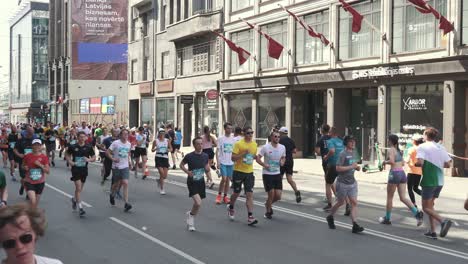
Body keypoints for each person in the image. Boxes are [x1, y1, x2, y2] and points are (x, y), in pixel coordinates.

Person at [415, 127, 453, 239]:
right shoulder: (441, 147)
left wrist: (416, 163)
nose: (422, 136)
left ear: (426, 135)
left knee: (425, 207)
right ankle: (432, 231)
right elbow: (448, 164)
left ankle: (443, 221)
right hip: (440, 180)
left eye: (423, 134)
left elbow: (420, 162)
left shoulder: (422, 147)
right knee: (430, 206)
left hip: (429, 180)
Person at [378, 134, 424, 226]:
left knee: (389, 197)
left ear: (391, 141)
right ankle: (417, 213)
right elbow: (403, 163)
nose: (387, 141)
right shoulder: (398, 151)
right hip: (402, 174)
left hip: (394, 174)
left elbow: (391, 161)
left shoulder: (391, 150)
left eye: (388, 140)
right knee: (403, 197)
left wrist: (384, 162)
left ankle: (387, 218)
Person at [326, 135, 364, 234]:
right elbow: (338, 168)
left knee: (354, 203)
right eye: (351, 142)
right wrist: (351, 166)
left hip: (352, 182)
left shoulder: (354, 152)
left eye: (354, 141)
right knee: (340, 202)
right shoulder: (343, 154)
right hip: (342, 183)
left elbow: (354, 164)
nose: (353, 143)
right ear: (346, 143)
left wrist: (356, 167)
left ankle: (355, 225)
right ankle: (330, 216)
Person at [180, 137, 213, 231]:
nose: (200, 145)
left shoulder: (205, 156)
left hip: (201, 182)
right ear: (194, 145)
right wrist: (187, 172)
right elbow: (181, 165)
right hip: (192, 182)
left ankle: (191, 214)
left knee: (197, 203)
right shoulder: (189, 156)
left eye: (201, 143)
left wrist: (210, 178)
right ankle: (191, 219)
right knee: (198, 203)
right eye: (198, 144)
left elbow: (206, 168)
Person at [227, 126, 258, 226]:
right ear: (244, 133)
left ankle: (250, 217)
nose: (250, 135)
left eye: (251, 133)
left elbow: (252, 157)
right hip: (238, 171)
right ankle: (231, 207)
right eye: (248, 133)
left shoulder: (254, 144)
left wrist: (254, 157)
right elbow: (233, 158)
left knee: (249, 194)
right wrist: (243, 154)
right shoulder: (238, 144)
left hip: (249, 172)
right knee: (236, 192)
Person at [65, 131, 96, 217]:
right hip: (75, 169)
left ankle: (74, 199)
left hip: (84, 170)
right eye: (80, 137)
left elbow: (94, 158)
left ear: (85, 137)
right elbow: (67, 154)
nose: (82, 138)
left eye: (83, 137)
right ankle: (81, 208)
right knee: (78, 188)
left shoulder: (88, 147)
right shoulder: (73, 146)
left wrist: (89, 160)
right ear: (77, 137)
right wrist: (70, 161)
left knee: (80, 189)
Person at [256, 131, 286, 219]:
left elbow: (283, 157)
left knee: (278, 196)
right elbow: (258, 158)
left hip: (277, 173)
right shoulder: (265, 147)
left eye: (278, 137)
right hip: (267, 174)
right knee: (271, 194)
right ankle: (268, 211)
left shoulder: (282, 147)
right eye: (275, 136)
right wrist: (264, 165)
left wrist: (282, 162)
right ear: (272, 138)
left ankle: (267, 203)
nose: (277, 138)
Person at [323, 127, 349, 214]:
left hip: (333, 165)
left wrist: (326, 157)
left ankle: (330, 204)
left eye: (329, 132)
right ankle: (348, 205)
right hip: (342, 165)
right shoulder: (341, 141)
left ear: (331, 133)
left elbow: (332, 151)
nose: (328, 134)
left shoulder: (330, 141)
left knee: (328, 184)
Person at [107, 129, 133, 212]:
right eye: (124, 134)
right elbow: (107, 152)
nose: (126, 136)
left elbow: (128, 154)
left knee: (125, 182)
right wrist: (113, 158)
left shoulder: (129, 144)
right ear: (121, 135)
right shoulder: (115, 143)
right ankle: (112, 195)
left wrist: (130, 162)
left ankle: (126, 203)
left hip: (125, 166)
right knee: (116, 184)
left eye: (127, 134)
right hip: (116, 166)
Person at [22, 139, 50, 208]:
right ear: (32, 146)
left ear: (41, 146)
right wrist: (24, 167)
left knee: (35, 205)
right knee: (33, 200)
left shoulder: (44, 157)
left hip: (40, 182)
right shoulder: (27, 156)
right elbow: (22, 165)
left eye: (38, 145)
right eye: (35, 145)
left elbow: (48, 171)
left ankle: (30, 214)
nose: (36, 146)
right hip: (29, 182)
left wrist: (40, 165)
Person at [278, 127, 301, 203]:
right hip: (290, 161)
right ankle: (296, 191)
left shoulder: (279, 140)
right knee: (290, 179)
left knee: (279, 178)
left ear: (281, 133)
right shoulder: (291, 140)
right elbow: (294, 151)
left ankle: (279, 195)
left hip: (282, 160)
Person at [215, 123, 235, 205]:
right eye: (228, 128)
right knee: (224, 178)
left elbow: (234, 151)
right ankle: (219, 195)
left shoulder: (233, 139)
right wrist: (218, 162)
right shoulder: (221, 138)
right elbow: (217, 150)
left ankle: (225, 196)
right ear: (225, 129)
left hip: (230, 162)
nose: (230, 130)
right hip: (223, 161)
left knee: (228, 180)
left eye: (231, 128)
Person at [14, 127, 35, 197]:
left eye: (33, 133)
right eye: (31, 133)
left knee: (31, 177)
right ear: (27, 132)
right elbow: (15, 150)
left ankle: (28, 193)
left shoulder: (34, 141)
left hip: (32, 162)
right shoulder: (21, 140)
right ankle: (23, 186)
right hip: (23, 162)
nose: (32, 134)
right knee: (24, 178)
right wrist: (19, 154)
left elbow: (39, 149)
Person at [315, 124, 333, 210]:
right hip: (335, 161)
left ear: (322, 130)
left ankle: (330, 204)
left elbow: (317, 152)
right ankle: (344, 201)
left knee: (328, 183)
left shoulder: (320, 139)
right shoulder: (332, 138)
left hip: (326, 162)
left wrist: (322, 152)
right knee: (332, 181)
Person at [152, 128, 172, 194]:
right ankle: (162, 189)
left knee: (164, 176)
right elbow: (152, 150)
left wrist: (168, 150)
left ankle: (159, 180)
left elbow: (171, 148)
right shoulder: (156, 141)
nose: (162, 134)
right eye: (161, 133)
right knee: (161, 172)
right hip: (158, 157)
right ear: (159, 134)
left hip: (165, 157)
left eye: (163, 133)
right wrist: (155, 149)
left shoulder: (167, 140)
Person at [406, 134, 424, 207]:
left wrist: (404, 160)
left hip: (411, 171)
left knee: (410, 189)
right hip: (419, 172)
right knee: (416, 188)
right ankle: (428, 198)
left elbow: (407, 160)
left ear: (414, 141)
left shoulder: (411, 149)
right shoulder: (422, 149)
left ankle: (413, 204)